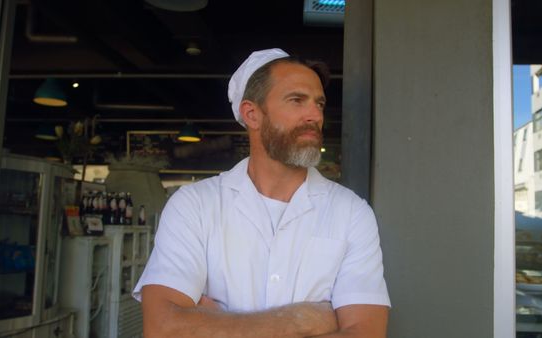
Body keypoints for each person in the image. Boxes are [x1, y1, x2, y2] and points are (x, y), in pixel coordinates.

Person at [133, 48, 390, 338]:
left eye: (319, 103)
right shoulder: (194, 205)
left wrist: (213, 323)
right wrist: (301, 321)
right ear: (252, 114)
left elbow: (366, 333)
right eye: (297, 100)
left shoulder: (352, 213)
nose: (315, 115)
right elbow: (163, 329)